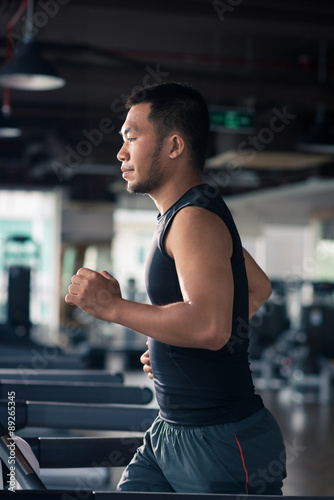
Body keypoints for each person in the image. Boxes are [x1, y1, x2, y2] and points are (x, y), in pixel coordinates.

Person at [65, 82, 286, 495]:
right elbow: (256, 288)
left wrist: (112, 307)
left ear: (174, 146)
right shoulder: (183, 213)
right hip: (170, 430)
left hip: (218, 438)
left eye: (132, 137)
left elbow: (209, 327)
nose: (120, 152)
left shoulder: (193, 219)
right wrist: (173, 345)